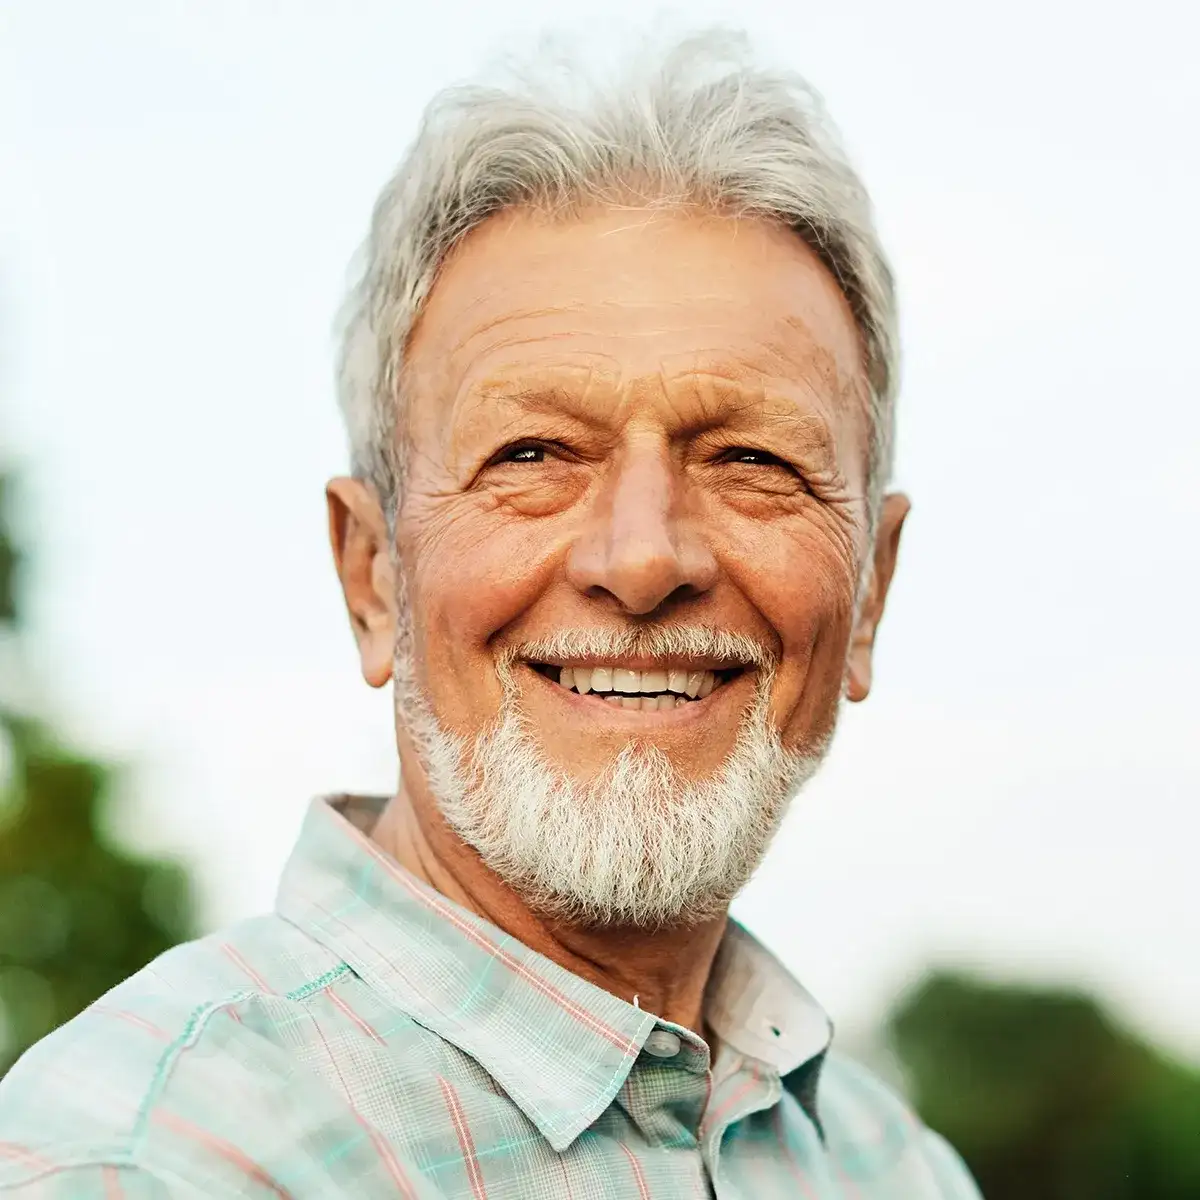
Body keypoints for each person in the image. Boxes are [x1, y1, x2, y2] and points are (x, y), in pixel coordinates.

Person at [0, 30, 982, 1199]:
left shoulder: (896, 1172)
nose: (644, 557)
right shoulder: (140, 1166)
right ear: (372, 576)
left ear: (868, 592)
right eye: (533, 452)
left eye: (752, 460)